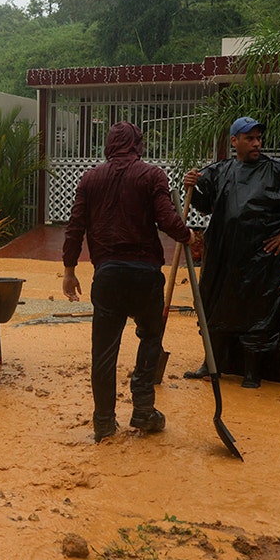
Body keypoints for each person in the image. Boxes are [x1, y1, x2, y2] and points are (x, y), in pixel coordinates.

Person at [62, 122, 194, 443]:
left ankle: (104, 422)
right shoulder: (152, 175)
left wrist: (69, 270)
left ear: (109, 145)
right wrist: (187, 234)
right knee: (151, 336)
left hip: (107, 276)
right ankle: (143, 409)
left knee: (103, 351)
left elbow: (75, 227)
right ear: (138, 145)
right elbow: (166, 219)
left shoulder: (89, 179)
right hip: (145, 274)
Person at [182, 116, 280, 388]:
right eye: (250, 138)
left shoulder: (276, 171)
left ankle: (252, 372)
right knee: (213, 306)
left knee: (257, 311)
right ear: (235, 142)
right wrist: (191, 188)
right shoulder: (220, 171)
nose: (257, 143)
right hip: (222, 256)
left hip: (258, 257)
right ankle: (211, 364)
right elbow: (206, 205)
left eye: (258, 138)